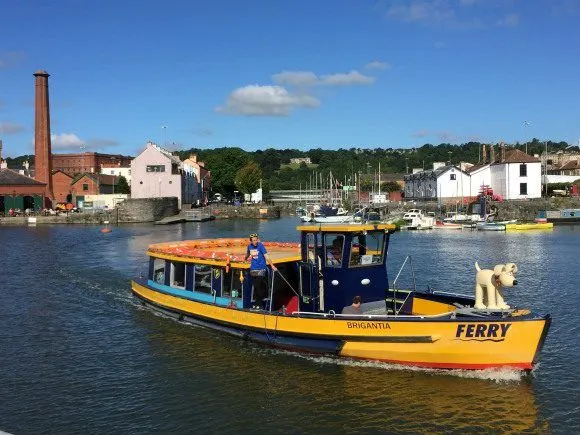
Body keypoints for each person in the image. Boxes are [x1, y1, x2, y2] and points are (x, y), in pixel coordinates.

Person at [246, 233, 277, 310]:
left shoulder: (261, 246)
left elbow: (266, 256)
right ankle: (257, 304)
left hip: (261, 269)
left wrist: (272, 265)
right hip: (253, 269)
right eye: (253, 240)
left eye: (256, 240)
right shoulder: (249, 246)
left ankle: (259, 305)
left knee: (258, 286)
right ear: (251, 241)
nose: (255, 242)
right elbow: (248, 253)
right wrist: (245, 258)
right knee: (256, 287)